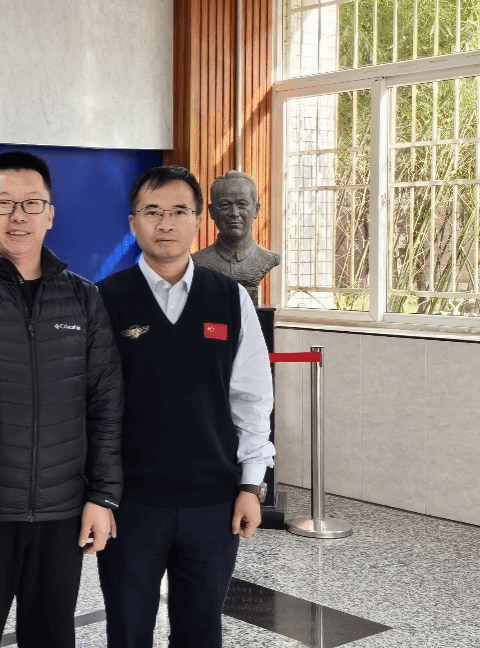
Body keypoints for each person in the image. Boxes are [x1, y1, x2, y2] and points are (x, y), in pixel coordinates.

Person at [0, 151, 125, 648]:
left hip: (62, 513)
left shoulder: (82, 298)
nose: (18, 216)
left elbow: (105, 403)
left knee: (53, 638)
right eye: (3, 203)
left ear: (50, 214)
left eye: (32, 203)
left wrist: (102, 497)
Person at [95, 165, 276, 648]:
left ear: (198, 219)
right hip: (131, 504)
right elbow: (92, 406)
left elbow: (252, 398)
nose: (166, 224)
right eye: (152, 212)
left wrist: (251, 485)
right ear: (133, 222)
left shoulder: (229, 298)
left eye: (179, 211)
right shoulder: (106, 300)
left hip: (214, 503)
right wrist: (97, 496)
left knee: (201, 631)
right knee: (128, 630)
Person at [190, 170, 280, 307]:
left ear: (256, 209)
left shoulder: (268, 259)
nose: (234, 213)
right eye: (225, 205)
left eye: (242, 204)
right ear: (212, 211)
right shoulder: (197, 261)